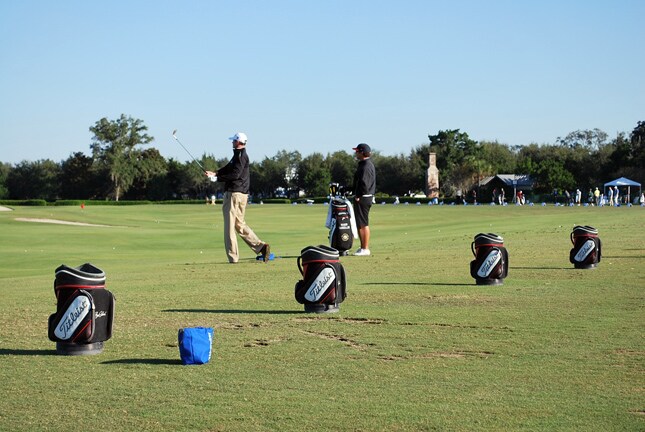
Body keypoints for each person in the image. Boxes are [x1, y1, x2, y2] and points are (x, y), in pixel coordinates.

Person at [205, 132, 270, 264]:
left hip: (234, 194)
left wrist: (217, 179)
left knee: (229, 226)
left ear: (239, 142)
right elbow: (228, 168)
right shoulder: (238, 155)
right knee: (239, 224)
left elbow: (235, 174)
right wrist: (215, 173)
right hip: (241, 194)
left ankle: (233, 257)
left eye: (234, 141)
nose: (232, 143)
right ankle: (261, 246)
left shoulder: (240, 156)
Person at [352, 143, 376, 256]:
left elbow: (364, 184)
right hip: (364, 197)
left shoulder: (366, 166)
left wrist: (358, 195)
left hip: (363, 197)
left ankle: (365, 248)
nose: (356, 153)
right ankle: (363, 247)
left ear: (362, 152)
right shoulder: (364, 164)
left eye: (357, 151)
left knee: (363, 224)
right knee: (360, 223)